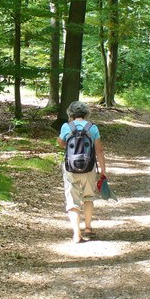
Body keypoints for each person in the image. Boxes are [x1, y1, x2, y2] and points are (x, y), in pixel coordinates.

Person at [57, 101, 107, 243]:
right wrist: (103, 170)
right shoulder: (92, 128)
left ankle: (76, 234)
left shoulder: (67, 126)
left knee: (72, 200)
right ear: (86, 113)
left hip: (70, 167)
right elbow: (99, 150)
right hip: (89, 167)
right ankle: (88, 228)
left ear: (70, 113)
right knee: (88, 196)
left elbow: (61, 143)